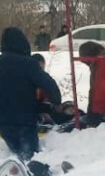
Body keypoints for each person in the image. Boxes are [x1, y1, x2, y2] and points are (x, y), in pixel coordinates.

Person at [0, 27, 61, 160]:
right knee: (30, 156)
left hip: (3, 121)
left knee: (16, 154)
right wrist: (56, 101)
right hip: (25, 120)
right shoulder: (28, 64)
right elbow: (48, 84)